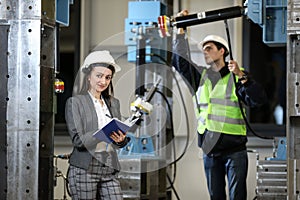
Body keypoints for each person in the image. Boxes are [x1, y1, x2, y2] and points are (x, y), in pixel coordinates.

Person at [172, 10, 267, 200]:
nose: (204, 52)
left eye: (209, 48)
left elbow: (258, 100)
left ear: (222, 50)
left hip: (235, 150)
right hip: (210, 149)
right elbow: (179, 61)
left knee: (237, 196)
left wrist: (242, 76)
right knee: (216, 196)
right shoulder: (199, 77)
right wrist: (180, 31)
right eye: (203, 49)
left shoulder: (237, 75)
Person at [65, 50, 130, 200]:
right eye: (99, 76)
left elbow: (118, 140)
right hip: (85, 169)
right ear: (88, 76)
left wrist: (121, 140)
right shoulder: (76, 103)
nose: (103, 81)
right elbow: (78, 140)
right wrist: (102, 131)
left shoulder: (114, 103)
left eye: (108, 77)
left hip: (108, 165)